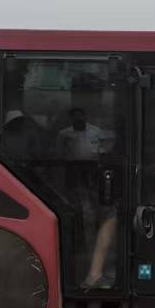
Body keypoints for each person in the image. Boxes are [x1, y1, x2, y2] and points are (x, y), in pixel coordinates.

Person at [56, 107, 118, 289]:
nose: (79, 119)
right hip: (72, 169)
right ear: (71, 118)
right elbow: (59, 153)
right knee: (75, 201)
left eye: (81, 116)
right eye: (75, 116)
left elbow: (101, 152)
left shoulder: (96, 132)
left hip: (91, 169)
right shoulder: (64, 134)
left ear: (85, 116)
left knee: (92, 204)